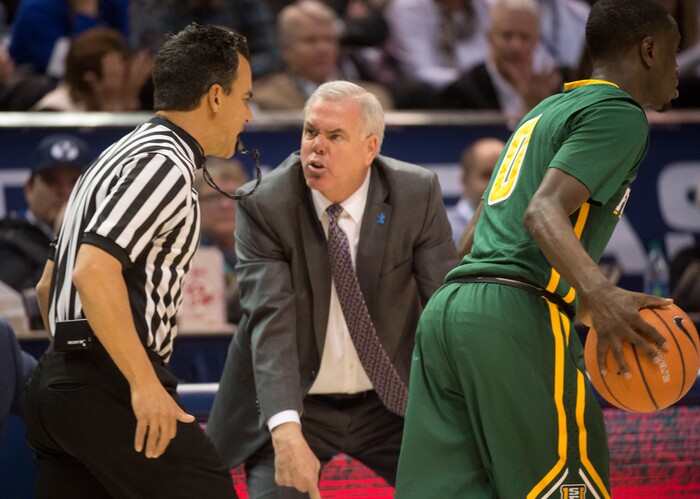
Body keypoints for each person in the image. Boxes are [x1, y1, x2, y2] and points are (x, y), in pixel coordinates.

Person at [395, 0, 680, 497]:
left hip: (450, 312)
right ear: (649, 50)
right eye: (676, 53)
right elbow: (541, 212)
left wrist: (581, 300)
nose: (680, 68)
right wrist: (603, 294)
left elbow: (472, 238)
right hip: (514, 314)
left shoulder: (543, 111)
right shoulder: (618, 114)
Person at [24, 23, 253, 498]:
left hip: (57, 383)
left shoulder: (113, 156)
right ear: (215, 97)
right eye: (244, 98)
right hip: (109, 381)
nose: (248, 115)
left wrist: (69, 371)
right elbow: (93, 270)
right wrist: (141, 383)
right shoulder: (164, 163)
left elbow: (50, 285)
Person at [206, 80, 458, 498]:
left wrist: (464, 409)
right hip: (298, 405)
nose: (316, 146)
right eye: (310, 132)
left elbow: (447, 310)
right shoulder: (264, 204)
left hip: (391, 402)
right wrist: (286, 433)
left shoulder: (415, 192)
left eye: (335, 136)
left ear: (369, 147)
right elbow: (271, 323)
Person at [251, 0, 394, 110]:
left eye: (328, 39)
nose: (322, 49)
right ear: (286, 49)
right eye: (310, 40)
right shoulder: (265, 101)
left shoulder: (373, 98)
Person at [440, 0, 563, 127]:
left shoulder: (552, 91)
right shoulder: (463, 93)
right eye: (507, 36)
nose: (516, 47)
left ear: (537, 42)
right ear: (490, 38)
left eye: (525, 37)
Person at [0, 134, 88, 293]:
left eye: (75, 182)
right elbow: (22, 300)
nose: (64, 191)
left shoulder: (101, 236)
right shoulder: (7, 238)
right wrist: (65, 237)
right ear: (29, 189)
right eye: (51, 180)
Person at [130, 0, 283, 80]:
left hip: (239, 82)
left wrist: (226, 71)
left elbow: (271, 58)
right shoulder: (156, 5)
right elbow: (156, 60)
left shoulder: (247, 3)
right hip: (178, 87)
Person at [32, 27, 153, 112]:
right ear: (91, 81)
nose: (123, 87)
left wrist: (131, 100)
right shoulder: (53, 113)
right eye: (116, 77)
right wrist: (112, 111)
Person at [9, 0, 130, 79]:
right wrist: (86, 14)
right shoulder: (35, 9)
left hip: (99, 91)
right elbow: (72, 70)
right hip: (44, 98)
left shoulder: (114, 5)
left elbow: (125, 53)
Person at [193, 157, 249, 324]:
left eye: (233, 195)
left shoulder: (266, 246)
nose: (225, 205)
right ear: (195, 204)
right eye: (214, 197)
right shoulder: (182, 254)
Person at [447, 137, 505, 249]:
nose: (497, 184)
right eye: (487, 175)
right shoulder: (444, 233)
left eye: (503, 174)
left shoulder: (525, 230)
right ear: (465, 180)